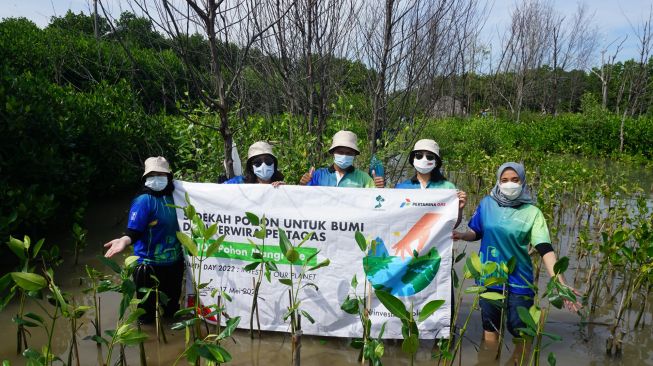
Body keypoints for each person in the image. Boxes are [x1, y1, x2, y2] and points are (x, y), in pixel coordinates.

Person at [452, 162, 580, 360]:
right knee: (490, 331)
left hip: (520, 281)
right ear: (497, 182)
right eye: (504, 180)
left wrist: (560, 283)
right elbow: (476, 232)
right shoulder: (487, 204)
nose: (509, 184)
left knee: (520, 331)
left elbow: (545, 249)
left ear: (523, 182)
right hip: (490, 278)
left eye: (514, 180)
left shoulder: (532, 213)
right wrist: (461, 235)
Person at [104, 156, 184, 324]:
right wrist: (124, 241)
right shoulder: (143, 201)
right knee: (146, 316)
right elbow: (133, 231)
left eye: (161, 175)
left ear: (169, 177)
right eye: (151, 175)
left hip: (174, 263)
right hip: (149, 266)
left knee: (172, 311)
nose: (156, 179)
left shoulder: (177, 196)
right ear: (145, 178)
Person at [395, 139, 467, 227]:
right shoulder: (401, 188)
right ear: (413, 159)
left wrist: (460, 209)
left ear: (436, 162)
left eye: (429, 157)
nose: (424, 159)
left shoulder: (448, 188)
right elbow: (395, 221)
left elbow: (452, 225)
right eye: (419, 156)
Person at [299, 130, 384, 188]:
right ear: (333, 153)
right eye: (340, 152)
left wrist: (378, 188)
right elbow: (305, 198)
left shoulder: (364, 178)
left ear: (354, 155)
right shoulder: (318, 175)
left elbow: (374, 200)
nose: (344, 155)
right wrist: (303, 185)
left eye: (349, 153)